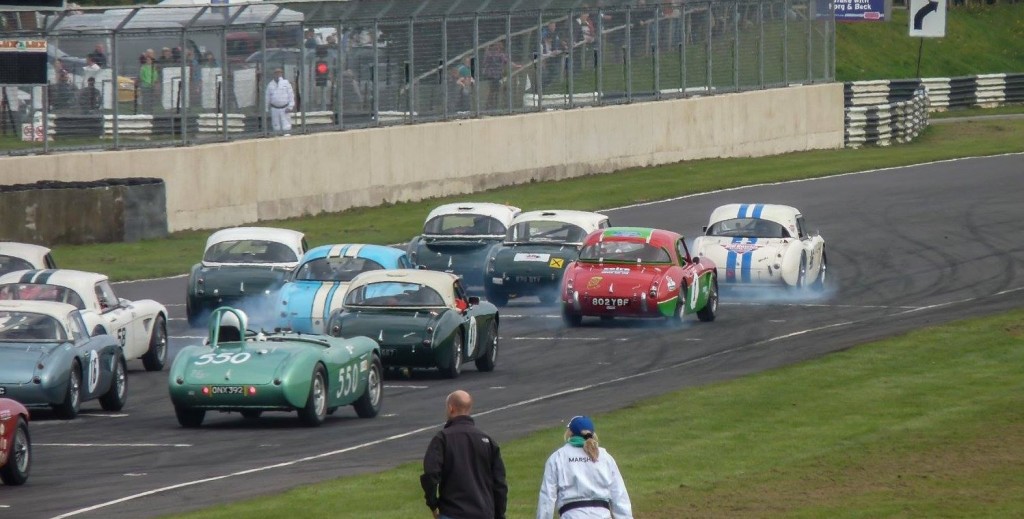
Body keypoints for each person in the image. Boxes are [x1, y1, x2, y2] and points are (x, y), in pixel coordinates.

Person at [421, 390, 508, 519]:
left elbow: (431, 475)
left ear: (451, 408)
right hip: (483, 513)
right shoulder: (487, 441)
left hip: (452, 512)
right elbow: (499, 484)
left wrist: (433, 503)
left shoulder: (442, 439)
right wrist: (499, 515)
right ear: (469, 409)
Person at [536, 415, 633, 519]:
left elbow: (547, 498)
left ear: (570, 433)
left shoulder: (557, 457)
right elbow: (619, 496)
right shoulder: (605, 457)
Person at [265, 67, 295, 135]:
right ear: (274, 74)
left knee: (286, 126)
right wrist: (266, 108)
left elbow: (291, 95)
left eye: (279, 72)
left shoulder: (286, 83)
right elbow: (267, 97)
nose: (278, 74)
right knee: (276, 126)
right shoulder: (270, 85)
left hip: (285, 108)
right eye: (276, 72)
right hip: (274, 109)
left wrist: (290, 106)